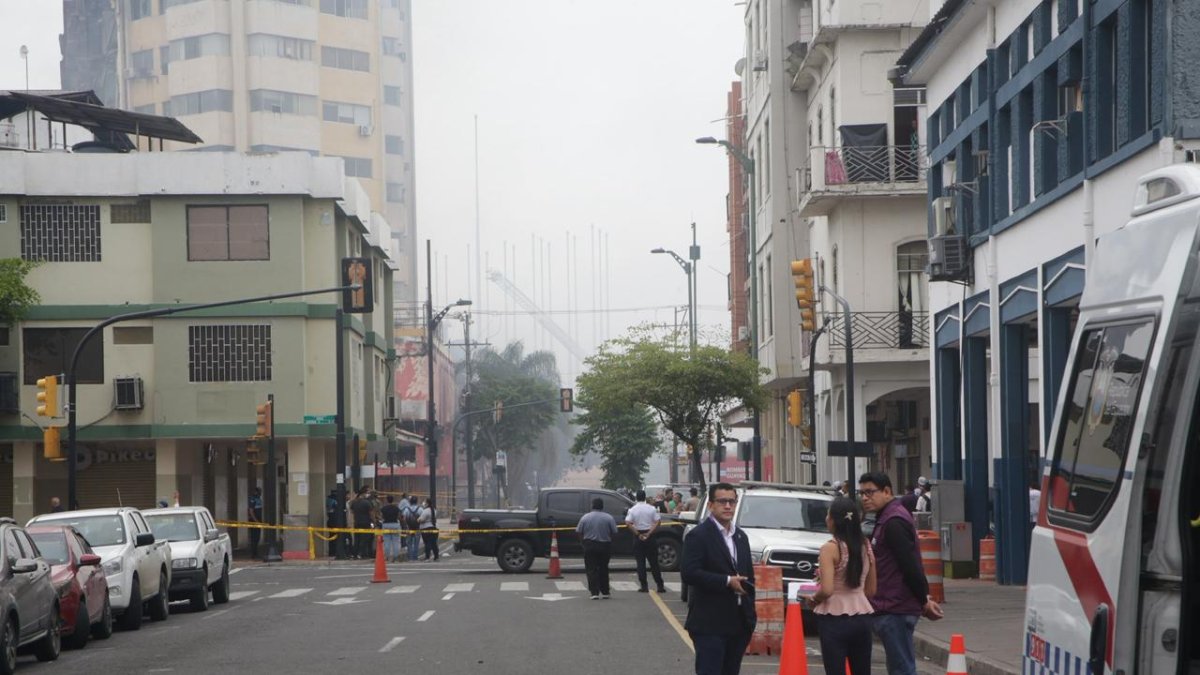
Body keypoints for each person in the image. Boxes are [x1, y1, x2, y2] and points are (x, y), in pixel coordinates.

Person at [859, 471, 942, 675]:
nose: (864, 498)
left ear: (887, 491)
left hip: (896, 608)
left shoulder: (894, 521)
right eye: (861, 493)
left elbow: (910, 565)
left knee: (902, 669)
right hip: (891, 606)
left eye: (870, 492)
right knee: (898, 667)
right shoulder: (885, 518)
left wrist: (923, 599)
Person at [681, 482, 756, 675]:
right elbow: (689, 573)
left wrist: (750, 616)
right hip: (709, 622)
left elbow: (749, 576)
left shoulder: (741, 537)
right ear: (710, 505)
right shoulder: (698, 536)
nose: (728, 506)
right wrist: (726, 581)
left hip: (738, 623)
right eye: (722, 501)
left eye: (732, 501)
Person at [808, 497, 877, 675]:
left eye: (828, 514)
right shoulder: (866, 545)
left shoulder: (830, 548)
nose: (826, 519)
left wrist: (813, 599)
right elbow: (871, 590)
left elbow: (827, 589)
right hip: (862, 616)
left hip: (834, 617)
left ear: (833, 520)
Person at [576, 497, 618, 599]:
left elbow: (579, 531)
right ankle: (605, 591)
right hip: (604, 545)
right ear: (602, 506)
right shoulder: (608, 518)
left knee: (591, 568)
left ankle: (594, 592)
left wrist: (583, 543)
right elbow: (614, 532)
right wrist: (609, 540)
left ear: (592, 505)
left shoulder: (585, 517)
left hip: (590, 545)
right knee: (604, 568)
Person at [625, 489, 666, 593]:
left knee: (640, 563)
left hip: (638, 536)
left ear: (636, 498)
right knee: (654, 562)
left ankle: (644, 586)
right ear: (645, 497)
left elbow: (628, 523)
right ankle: (660, 585)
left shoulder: (632, 510)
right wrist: (649, 533)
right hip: (650, 536)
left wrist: (638, 534)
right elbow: (658, 522)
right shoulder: (652, 509)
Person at [349, 489, 374, 559]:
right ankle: (363, 554)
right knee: (365, 539)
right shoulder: (367, 503)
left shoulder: (354, 502)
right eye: (366, 493)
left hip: (357, 522)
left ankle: (355, 554)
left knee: (357, 539)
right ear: (362, 494)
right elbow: (371, 513)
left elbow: (352, 511)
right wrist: (373, 521)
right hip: (366, 523)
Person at [380, 495, 402, 562]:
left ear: (387, 500)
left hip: (386, 524)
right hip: (395, 524)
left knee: (386, 542)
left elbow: (381, 517)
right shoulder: (396, 508)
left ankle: (387, 557)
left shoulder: (383, 508)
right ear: (393, 500)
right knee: (396, 542)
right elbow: (399, 517)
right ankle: (395, 557)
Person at [248, 487, 264, 559]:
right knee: (254, 538)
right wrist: (256, 521)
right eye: (259, 492)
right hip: (253, 521)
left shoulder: (259, 499)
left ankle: (256, 553)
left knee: (257, 538)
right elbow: (251, 511)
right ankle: (253, 554)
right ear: (256, 492)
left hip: (258, 520)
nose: (260, 493)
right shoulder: (253, 499)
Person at [404, 495, 421, 561]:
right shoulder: (420, 509)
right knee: (416, 544)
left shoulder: (406, 509)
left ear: (410, 502)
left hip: (409, 528)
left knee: (409, 543)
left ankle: (410, 557)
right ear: (416, 501)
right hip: (417, 528)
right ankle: (415, 557)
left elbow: (404, 518)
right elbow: (422, 518)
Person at [325, 490, 339, 557]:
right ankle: (334, 551)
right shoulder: (335, 501)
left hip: (330, 521)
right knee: (335, 538)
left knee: (331, 537)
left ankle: (331, 552)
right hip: (334, 522)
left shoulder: (328, 500)